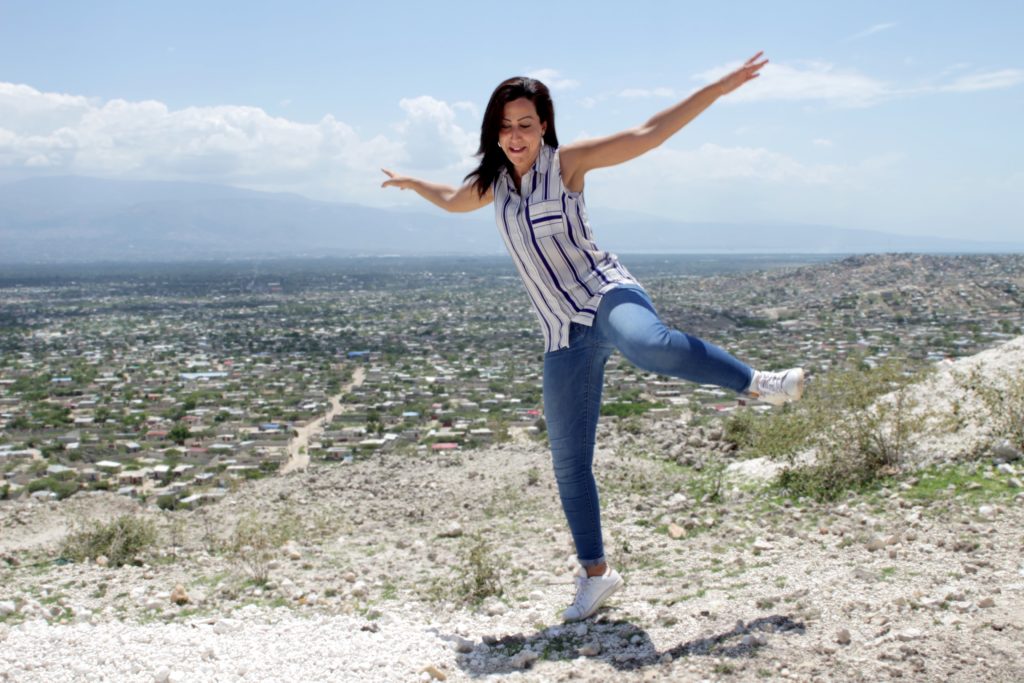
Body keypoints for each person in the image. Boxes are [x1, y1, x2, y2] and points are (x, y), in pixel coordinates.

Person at [381, 52, 804, 622]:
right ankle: (595, 575)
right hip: (561, 329)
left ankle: (758, 384)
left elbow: (646, 134)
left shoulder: (567, 164)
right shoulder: (493, 185)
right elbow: (453, 200)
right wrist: (413, 183)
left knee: (649, 343)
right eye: (504, 126)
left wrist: (716, 90)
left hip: (604, 295)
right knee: (568, 461)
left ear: (545, 126)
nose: (515, 136)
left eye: (525, 124)